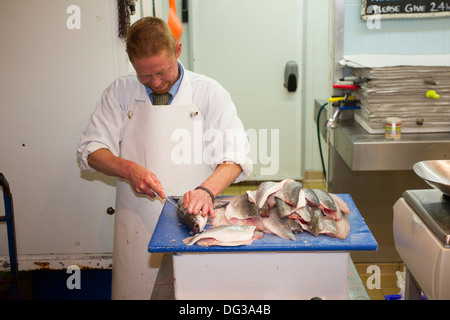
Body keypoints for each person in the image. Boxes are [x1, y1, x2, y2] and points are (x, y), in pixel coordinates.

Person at [77, 16, 252, 300]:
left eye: (163, 71)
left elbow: (235, 158)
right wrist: (128, 169)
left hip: (197, 219)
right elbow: (90, 150)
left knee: (195, 296)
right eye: (145, 76)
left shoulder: (209, 93)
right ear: (131, 62)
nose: (156, 82)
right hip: (136, 222)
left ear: (178, 51)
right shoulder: (119, 93)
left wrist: (206, 191)